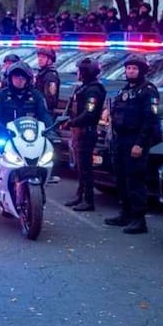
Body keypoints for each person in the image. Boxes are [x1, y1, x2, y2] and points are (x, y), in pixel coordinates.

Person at [0, 62, 51, 225]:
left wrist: (51, 131)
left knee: (42, 164)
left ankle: (36, 200)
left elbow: (45, 116)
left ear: (28, 79)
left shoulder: (36, 96)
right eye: (16, 76)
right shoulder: (2, 95)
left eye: (22, 77)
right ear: (10, 78)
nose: (19, 80)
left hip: (28, 140)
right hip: (5, 138)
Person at [104, 54, 160, 234]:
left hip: (136, 140)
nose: (130, 71)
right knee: (121, 178)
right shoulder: (124, 90)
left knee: (135, 179)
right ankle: (125, 214)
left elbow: (150, 120)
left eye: (134, 68)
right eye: (128, 68)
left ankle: (139, 219)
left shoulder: (148, 91)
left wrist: (140, 144)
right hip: (120, 139)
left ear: (142, 70)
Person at [62, 58, 106, 212]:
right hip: (78, 132)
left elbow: (89, 113)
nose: (77, 73)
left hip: (86, 132)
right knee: (80, 167)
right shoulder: (82, 88)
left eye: (80, 71)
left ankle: (88, 200)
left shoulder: (94, 90)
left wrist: (71, 123)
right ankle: (80, 195)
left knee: (86, 168)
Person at [35, 47, 61, 115]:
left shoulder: (50, 76)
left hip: (45, 113)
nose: (40, 59)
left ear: (50, 60)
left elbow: (50, 100)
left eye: (43, 57)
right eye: (39, 56)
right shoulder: (42, 73)